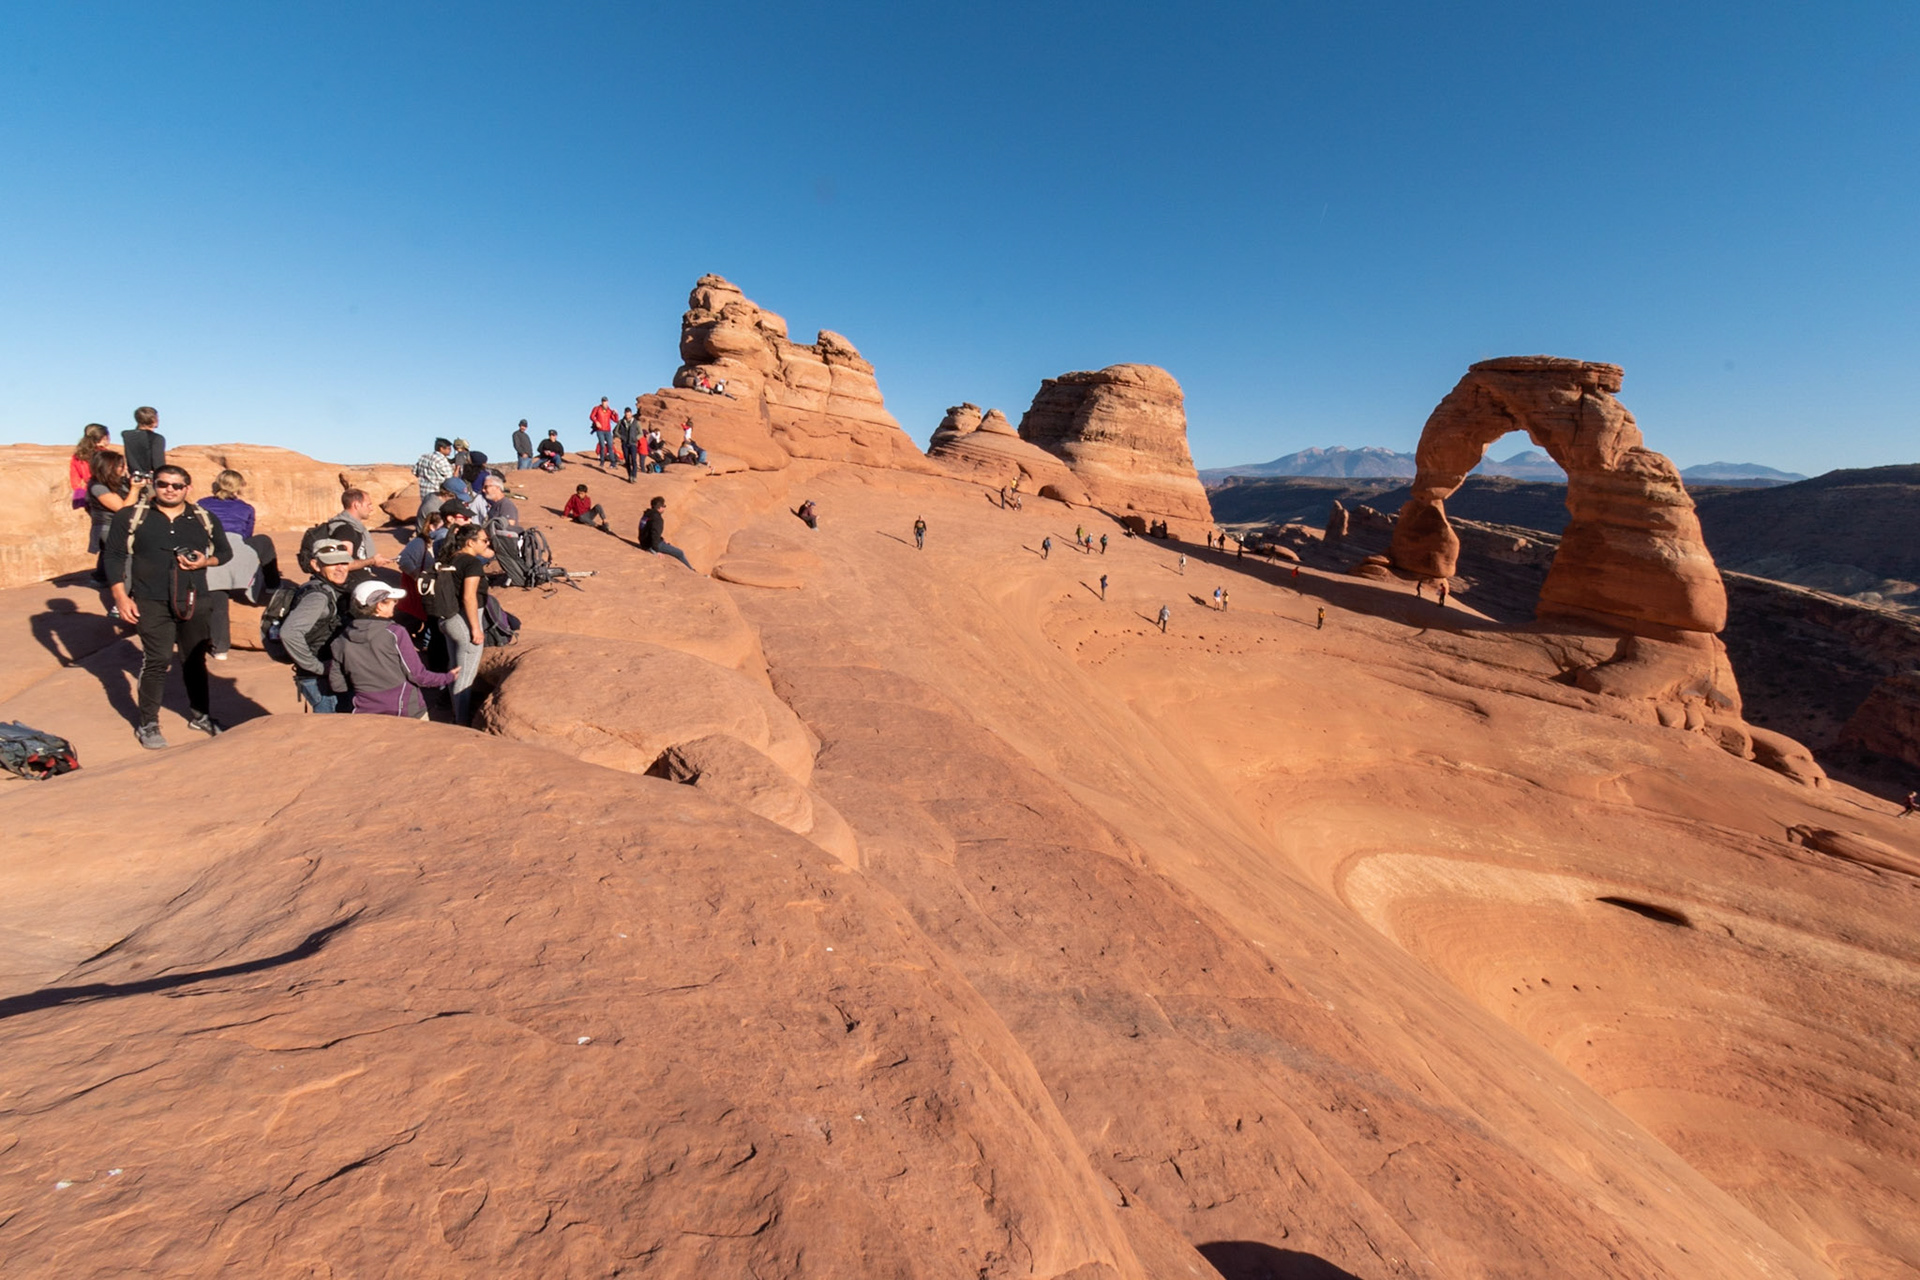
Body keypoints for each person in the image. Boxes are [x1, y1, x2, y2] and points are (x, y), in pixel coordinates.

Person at [104, 464, 233, 748]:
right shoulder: (132, 516)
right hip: (151, 600)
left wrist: (205, 561)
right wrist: (120, 597)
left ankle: (201, 716)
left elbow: (224, 552)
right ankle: (148, 723)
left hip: (194, 598)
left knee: (194, 660)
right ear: (154, 485)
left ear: (188, 488)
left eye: (177, 485)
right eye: (163, 484)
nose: (170, 490)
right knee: (157, 660)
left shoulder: (202, 517)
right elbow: (112, 556)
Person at [328, 580, 457, 718]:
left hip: (363, 713)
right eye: (392, 601)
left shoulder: (340, 640)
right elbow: (418, 676)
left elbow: (337, 685)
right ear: (379, 606)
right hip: (405, 711)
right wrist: (448, 677)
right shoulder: (395, 633)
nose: (395, 604)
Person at [282, 539, 355, 713]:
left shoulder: (331, 590)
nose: (340, 568)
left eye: (344, 562)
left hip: (326, 677)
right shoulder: (318, 597)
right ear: (315, 565)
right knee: (329, 732)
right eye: (332, 563)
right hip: (320, 680)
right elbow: (289, 633)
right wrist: (317, 667)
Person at [434, 523, 493, 725]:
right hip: (464, 622)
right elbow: (469, 598)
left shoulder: (450, 557)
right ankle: (460, 722)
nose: (487, 543)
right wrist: (476, 629)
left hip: (448, 619)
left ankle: (454, 713)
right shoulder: (471, 563)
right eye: (484, 540)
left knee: (455, 669)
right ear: (470, 542)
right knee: (465, 676)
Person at [198, 470, 259, 661]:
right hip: (238, 556)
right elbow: (248, 535)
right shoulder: (246, 508)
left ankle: (220, 648)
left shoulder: (202, 504)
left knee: (219, 603)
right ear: (239, 486)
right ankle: (259, 589)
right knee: (260, 546)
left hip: (212, 554)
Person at [85, 448, 133, 587]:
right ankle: (122, 593)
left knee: (109, 554)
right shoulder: (98, 486)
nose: (123, 468)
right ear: (108, 467)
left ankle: (100, 577)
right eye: (120, 465)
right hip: (107, 527)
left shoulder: (116, 482)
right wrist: (135, 489)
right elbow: (123, 509)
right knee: (124, 556)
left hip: (115, 526)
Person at [638, 496, 696, 570]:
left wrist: (661, 539)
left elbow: (647, 530)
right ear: (660, 508)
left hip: (644, 541)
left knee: (668, 545)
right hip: (651, 545)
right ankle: (691, 570)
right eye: (664, 506)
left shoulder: (647, 514)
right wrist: (655, 550)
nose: (664, 508)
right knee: (680, 553)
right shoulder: (657, 519)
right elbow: (654, 533)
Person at [413, 438, 455, 532]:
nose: (450, 451)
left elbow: (415, 471)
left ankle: (423, 534)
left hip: (425, 492)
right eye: (448, 448)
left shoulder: (424, 457)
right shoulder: (441, 460)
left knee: (425, 516)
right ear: (441, 448)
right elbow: (450, 477)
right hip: (438, 493)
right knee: (438, 519)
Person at [122, 405, 166, 485]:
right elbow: (158, 465)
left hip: (133, 479)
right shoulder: (157, 438)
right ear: (153, 419)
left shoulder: (126, 435)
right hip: (149, 480)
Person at [70, 423, 109, 509]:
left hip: (87, 493)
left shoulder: (78, 455)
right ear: (104, 438)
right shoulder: (105, 455)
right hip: (105, 492)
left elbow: (75, 478)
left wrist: (79, 493)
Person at [589, 397, 617, 466]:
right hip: (600, 430)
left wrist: (615, 414)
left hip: (607, 430)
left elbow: (615, 420)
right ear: (602, 402)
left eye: (606, 402)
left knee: (610, 445)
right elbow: (591, 416)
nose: (605, 403)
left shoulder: (609, 410)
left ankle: (613, 463)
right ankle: (602, 461)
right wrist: (596, 422)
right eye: (604, 402)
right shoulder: (597, 408)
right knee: (602, 445)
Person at [616, 412, 641, 483]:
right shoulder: (621, 422)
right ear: (624, 414)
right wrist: (621, 437)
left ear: (631, 414)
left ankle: (634, 476)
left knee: (634, 460)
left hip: (633, 444)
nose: (627, 416)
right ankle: (630, 476)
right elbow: (615, 431)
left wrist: (636, 438)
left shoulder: (636, 422)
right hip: (625, 444)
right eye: (626, 414)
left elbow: (640, 433)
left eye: (629, 414)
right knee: (627, 461)